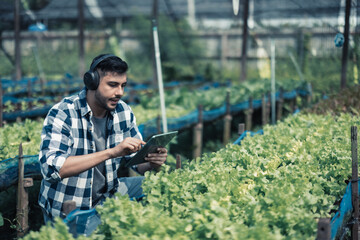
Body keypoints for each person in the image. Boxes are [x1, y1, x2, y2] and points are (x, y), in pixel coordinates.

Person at [38, 54, 168, 224]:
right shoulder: (64, 113)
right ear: (91, 82)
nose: (119, 92)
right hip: (70, 205)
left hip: (108, 195)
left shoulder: (123, 111)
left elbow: (136, 162)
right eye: (112, 85)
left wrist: (152, 162)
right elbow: (51, 169)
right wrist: (111, 153)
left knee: (159, 188)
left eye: (123, 86)